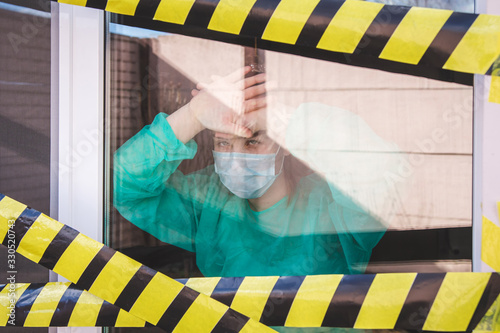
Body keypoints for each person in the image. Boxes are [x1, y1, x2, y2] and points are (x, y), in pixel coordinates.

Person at [113, 66, 404, 278]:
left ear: (285, 143)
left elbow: (380, 171)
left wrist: (278, 117)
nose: (236, 158)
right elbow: (123, 186)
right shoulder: (209, 202)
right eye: (224, 142)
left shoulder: (333, 203)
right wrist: (193, 115)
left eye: (253, 141)